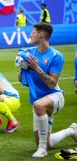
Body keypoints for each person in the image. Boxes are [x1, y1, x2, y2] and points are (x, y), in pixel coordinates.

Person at [17, 23, 74, 158]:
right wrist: (23, 69)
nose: (30, 35)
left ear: (41, 34)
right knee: (46, 142)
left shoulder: (56, 56)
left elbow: (51, 83)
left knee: (38, 105)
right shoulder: (28, 53)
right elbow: (21, 79)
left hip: (55, 97)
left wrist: (36, 67)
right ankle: (72, 130)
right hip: (39, 101)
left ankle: (42, 150)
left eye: (33, 32)